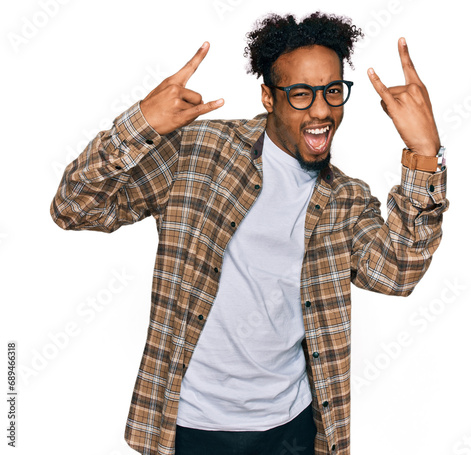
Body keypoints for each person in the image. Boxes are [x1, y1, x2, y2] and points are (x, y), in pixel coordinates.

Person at [50, 11, 449, 455]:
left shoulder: (346, 198)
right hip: (190, 426)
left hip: (292, 429)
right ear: (268, 96)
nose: (321, 110)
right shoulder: (198, 153)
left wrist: (424, 153)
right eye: (301, 94)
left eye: (332, 91)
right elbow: (74, 208)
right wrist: (138, 125)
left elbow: (397, 274)